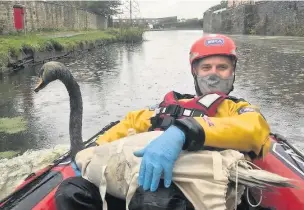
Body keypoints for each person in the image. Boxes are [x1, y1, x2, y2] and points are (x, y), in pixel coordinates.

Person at [55, 34, 271, 210]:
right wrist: (93, 150)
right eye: (206, 68)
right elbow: (133, 121)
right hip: (140, 181)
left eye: (221, 67)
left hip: (199, 190)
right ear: (195, 72)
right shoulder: (173, 104)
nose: (213, 74)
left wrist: (184, 132)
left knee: (155, 201)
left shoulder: (238, 109)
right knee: (72, 191)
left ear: (232, 72)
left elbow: (254, 131)